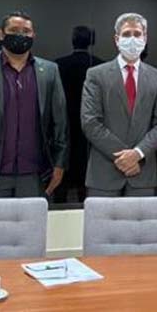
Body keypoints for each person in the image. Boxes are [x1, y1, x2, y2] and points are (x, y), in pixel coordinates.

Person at [0, 11, 69, 199]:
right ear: (1, 34)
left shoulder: (50, 71)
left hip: (35, 175)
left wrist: (59, 164)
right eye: (14, 30)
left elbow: (60, 124)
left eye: (26, 31)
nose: (20, 35)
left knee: (34, 219)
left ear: (34, 35)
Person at [81, 13, 157, 197]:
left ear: (145, 38)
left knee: (141, 219)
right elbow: (90, 122)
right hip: (104, 175)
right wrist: (125, 157)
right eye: (127, 34)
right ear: (116, 39)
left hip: (142, 174)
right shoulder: (96, 75)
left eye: (137, 34)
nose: (132, 39)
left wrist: (138, 154)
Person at [55, 26, 104, 202]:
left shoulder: (58, 65)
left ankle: (60, 204)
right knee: (85, 171)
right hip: (92, 126)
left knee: (63, 171)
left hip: (65, 122)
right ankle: (86, 204)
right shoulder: (100, 65)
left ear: (72, 40)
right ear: (92, 41)